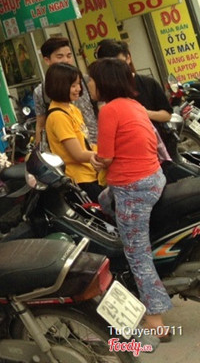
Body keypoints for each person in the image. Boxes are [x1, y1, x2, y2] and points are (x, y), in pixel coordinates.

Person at [87, 58, 172, 339]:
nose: (88, 85)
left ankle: (156, 321)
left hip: (133, 188)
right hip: (153, 178)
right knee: (104, 199)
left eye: (91, 79)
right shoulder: (134, 104)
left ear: (104, 82)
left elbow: (106, 157)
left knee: (137, 254)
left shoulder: (109, 110)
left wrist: (96, 160)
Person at [94, 39, 177, 164]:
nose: (114, 69)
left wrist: (144, 113)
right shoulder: (101, 93)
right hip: (123, 156)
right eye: (108, 65)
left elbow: (167, 115)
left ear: (128, 58)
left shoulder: (148, 83)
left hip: (155, 152)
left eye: (118, 62)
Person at [44, 63, 103, 201]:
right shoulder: (58, 116)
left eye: (79, 84)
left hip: (92, 174)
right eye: (73, 85)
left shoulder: (72, 109)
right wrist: (107, 155)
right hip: (79, 180)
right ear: (59, 86)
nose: (79, 89)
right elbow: (78, 154)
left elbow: (86, 144)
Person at [33, 36, 97, 149]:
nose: (66, 60)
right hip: (68, 150)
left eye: (69, 56)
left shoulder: (87, 81)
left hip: (97, 145)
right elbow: (41, 125)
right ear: (47, 60)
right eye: (60, 56)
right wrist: (39, 151)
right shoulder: (41, 91)